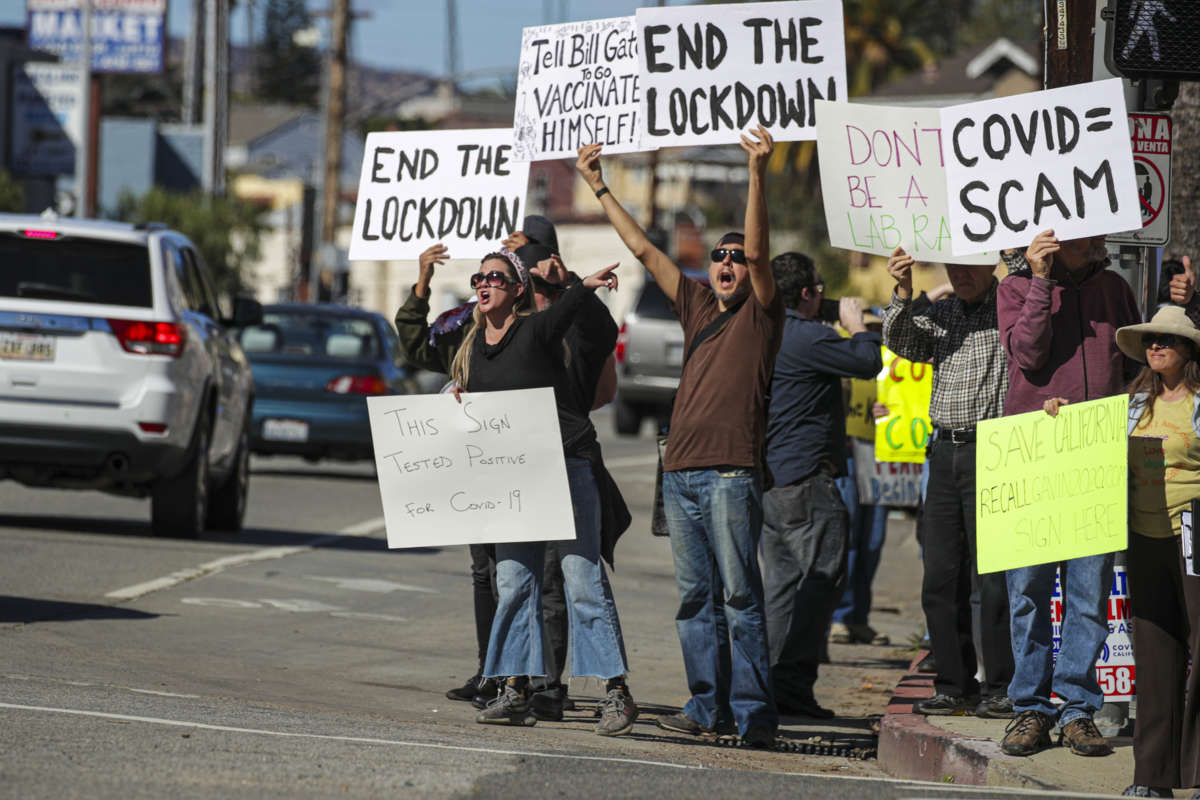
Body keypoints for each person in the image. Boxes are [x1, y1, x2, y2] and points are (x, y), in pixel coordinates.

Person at [574, 126, 782, 747]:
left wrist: (757, 174)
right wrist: (599, 186)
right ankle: (706, 707)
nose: (726, 263)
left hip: (729, 474)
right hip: (683, 473)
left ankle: (754, 718)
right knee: (695, 600)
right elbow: (643, 249)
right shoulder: (693, 306)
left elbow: (763, 255)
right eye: (719, 256)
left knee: (741, 597)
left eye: (735, 258)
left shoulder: (761, 312)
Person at [996, 230, 1144, 756]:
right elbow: (1027, 355)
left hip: (1094, 456)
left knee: (1088, 592)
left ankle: (1079, 709)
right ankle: (1030, 710)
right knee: (1028, 593)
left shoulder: (1115, 289)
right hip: (1033, 454)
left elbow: (1135, 365)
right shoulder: (1015, 287)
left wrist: (1121, 413)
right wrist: (1039, 283)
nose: (1090, 237)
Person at [1046, 305, 1200, 796]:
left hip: (1194, 537)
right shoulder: (1131, 403)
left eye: (1167, 341)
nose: (1156, 347)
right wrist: (1061, 417)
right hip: (1145, 541)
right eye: (1150, 340)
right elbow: (1091, 443)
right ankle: (1152, 777)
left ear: (1188, 350)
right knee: (1155, 658)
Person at [882, 247, 1015, 720]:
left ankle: (1000, 686)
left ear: (992, 265)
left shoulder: (1010, 305)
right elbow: (902, 343)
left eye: (968, 266)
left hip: (992, 450)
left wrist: (1017, 259)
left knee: (994, 577)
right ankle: (954, 684)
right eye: (951, 266)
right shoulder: (942, 312)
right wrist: (902, 289)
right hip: (942, 453)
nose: (958, 275)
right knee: (940, 574)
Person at [761, 252, 882, 719]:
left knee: (780, 587)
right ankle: (791, 683)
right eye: (818, 287)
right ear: (808, 293)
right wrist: (856, 323)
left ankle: (770, 681)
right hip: (808, 481)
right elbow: (869, 361)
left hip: (773, 480)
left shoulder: (770, 331)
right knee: (821, 581)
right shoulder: (808, 337)